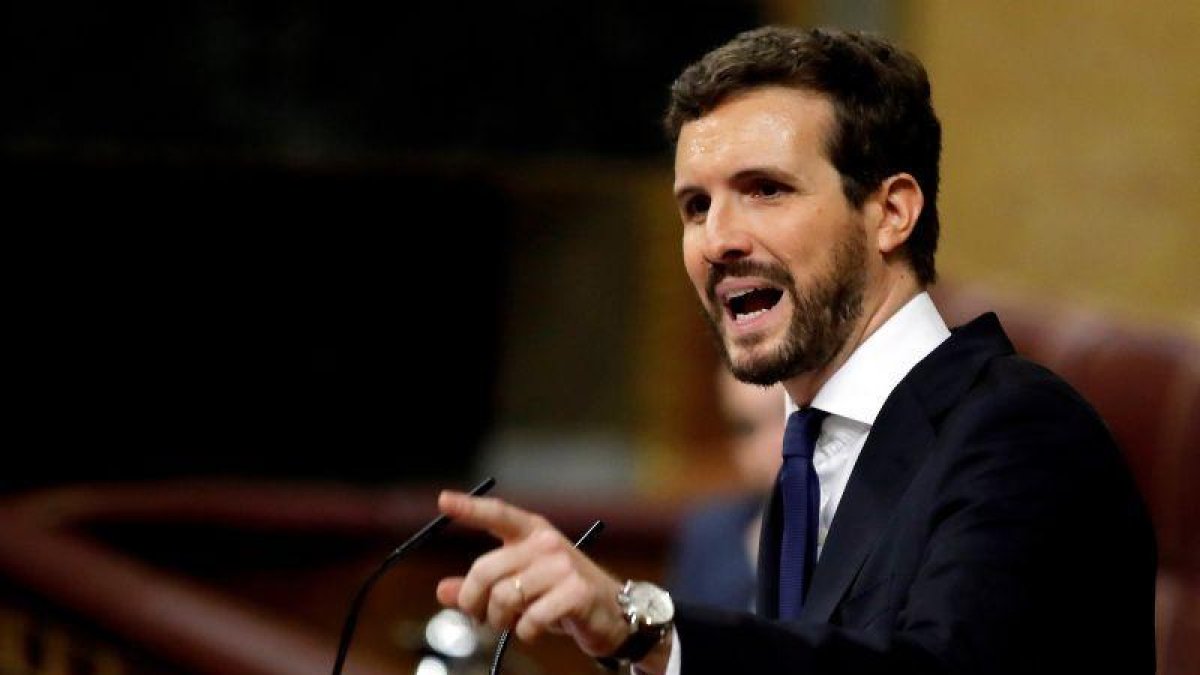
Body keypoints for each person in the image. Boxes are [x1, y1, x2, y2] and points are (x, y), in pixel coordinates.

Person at [435, 26, 1156, 675]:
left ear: (891, 212)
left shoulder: (1022, 432)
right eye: (696, 205)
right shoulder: (807, 458)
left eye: (765, 190)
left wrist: (645, 629)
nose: (717, 240)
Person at [667, 370, 784, 612]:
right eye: (746, 428)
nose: (771, 445)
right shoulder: (710, 536)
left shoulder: (855, 532)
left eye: (786, 414)